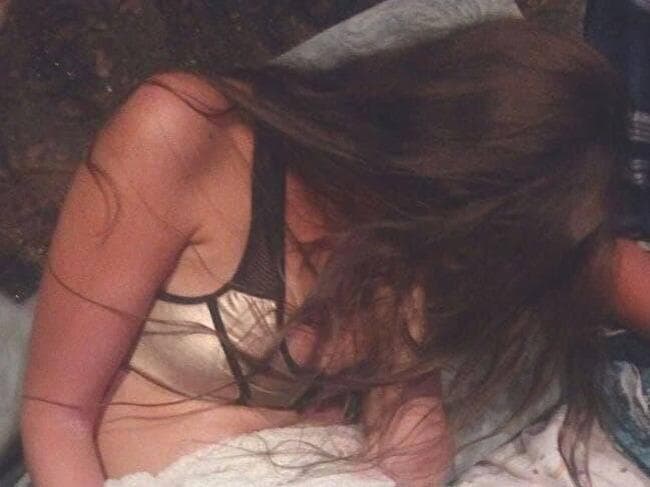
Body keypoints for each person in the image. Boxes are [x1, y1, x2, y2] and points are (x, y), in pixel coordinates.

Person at [19, 18, 647, 486]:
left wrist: (406, 373)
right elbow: (56, 413)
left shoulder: (421, 244)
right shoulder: (188, 133)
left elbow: (409, 449)